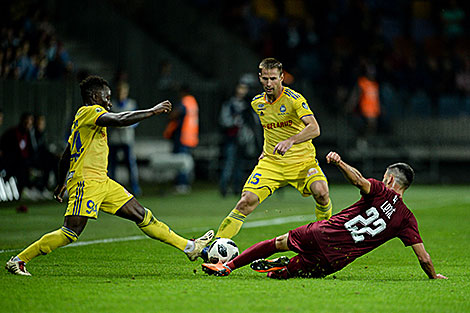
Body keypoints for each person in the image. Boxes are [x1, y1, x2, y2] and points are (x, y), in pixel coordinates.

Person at [5, 76, 213, 276]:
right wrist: (152, 111)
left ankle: (190, 248)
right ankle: (19, 260)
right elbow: (120, 119)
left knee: (142, 215)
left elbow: (66, 155)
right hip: (86, 182)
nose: (110, 103)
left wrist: (61, 182)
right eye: (107, 97)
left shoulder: (83, 120)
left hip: (102, 182)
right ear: (96, 97)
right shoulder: (90, 111)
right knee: (70, 232)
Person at [202, 151, 447, 280]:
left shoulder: (380, 189)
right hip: (336, 261)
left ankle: (229, 266)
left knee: (277, 243)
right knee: (284, 276)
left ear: (390, 179)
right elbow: (423, 258)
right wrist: (433, 275)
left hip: (323, 233)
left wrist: (339, 163)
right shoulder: (407, 219)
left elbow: (358, 181)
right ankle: (285, 267)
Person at [212, 58, 333, 242]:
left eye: (274, 78)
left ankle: (324, 238)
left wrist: (291, 141)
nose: (269, 83)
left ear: (282, 77)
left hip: (302, 161)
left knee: (321, 192)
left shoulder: (294, 100)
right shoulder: (256, 103)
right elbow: (270, 128)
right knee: (246, 201)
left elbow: (315, 128)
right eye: (266, 78)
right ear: (260, 77)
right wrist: (266, 149)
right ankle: (216, 246)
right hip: (272, 163)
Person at [163, 85, 199, 194]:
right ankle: (186, 183)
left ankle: (181, 184)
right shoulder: (193, 102)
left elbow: (175, 114)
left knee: (180, 161)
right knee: (186, 161)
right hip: (191, 136)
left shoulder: (185, 102)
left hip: (183, 136)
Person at [107, 81, 141, 195]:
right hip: (114, 138)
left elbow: (137, 119)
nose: (121, 93)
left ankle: (135, 187)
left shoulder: (131, 104)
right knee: (112, 164)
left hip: (127, 138)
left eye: (123, 91)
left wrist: (128, 124)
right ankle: (112, 189)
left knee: (130, 164)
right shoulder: (112, 104)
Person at [218, 82, 250, 196]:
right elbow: (224, 120)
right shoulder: (229, 104)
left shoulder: (247, 105)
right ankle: (224, 188)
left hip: (242, 139)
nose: (242, 91)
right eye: (241, 88)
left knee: (240, 165)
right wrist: (234, 122)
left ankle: (238, 188)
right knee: (229, 164)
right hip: (231, 138)